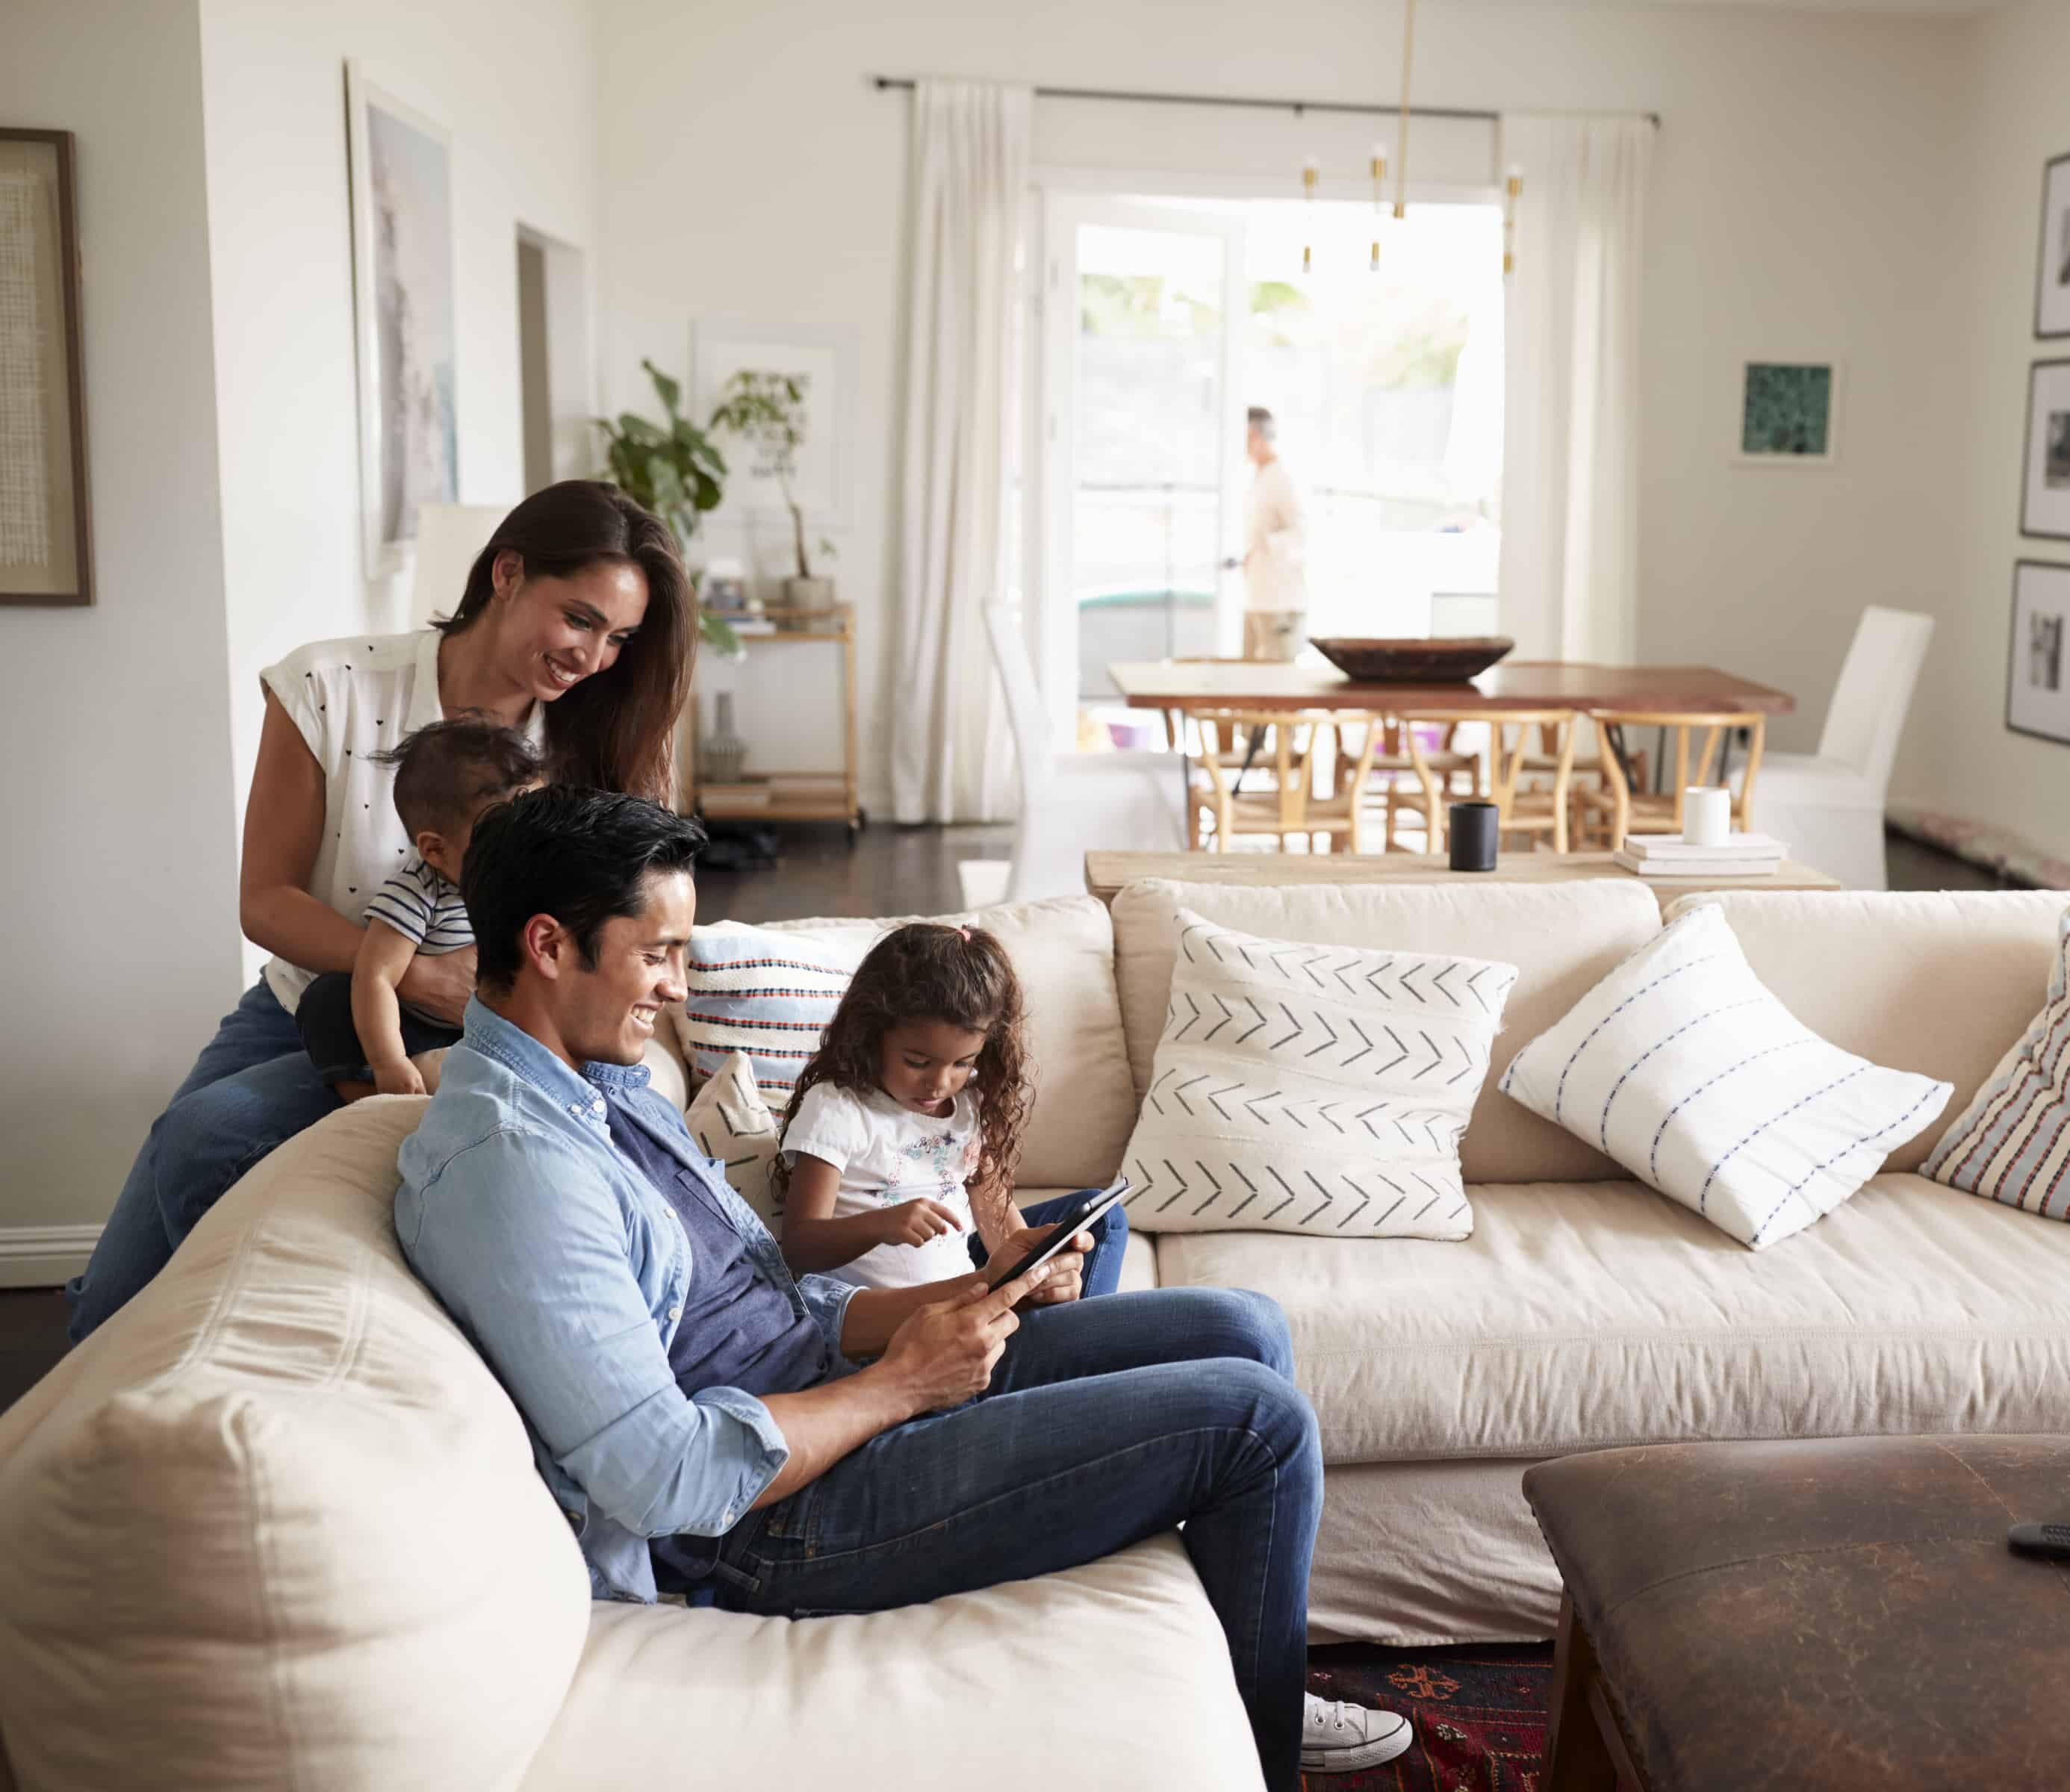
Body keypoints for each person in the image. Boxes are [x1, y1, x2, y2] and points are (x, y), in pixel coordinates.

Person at [394, 788, 1412, 1785]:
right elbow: (665, 1481)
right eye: (655, 954)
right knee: (1254, 1423)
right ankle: (1271, 1738)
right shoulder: (515, 1167)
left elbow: (776, 1298)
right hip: (770, 1519)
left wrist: (940, 1310)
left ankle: (1248, 1670)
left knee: (1242, 1325)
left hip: (839, 1391)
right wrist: (904, 1385)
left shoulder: (600, 1089)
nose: (674, 988)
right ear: (548, 946)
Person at [64, 479, 692, 1344]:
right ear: (506, 573)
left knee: (209, 1136)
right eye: (579, 619)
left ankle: (226, 1359)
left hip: (474, 1036)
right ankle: (151, 1376)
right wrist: (416, 974)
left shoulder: (589, 744)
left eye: (618, 638)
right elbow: (267, 900)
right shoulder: (332, 685)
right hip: (307, 1000)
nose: (594, 657)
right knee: (112, 1298)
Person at [774, 921, 1130, 1296]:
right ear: (872, 1034)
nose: (939, 1084)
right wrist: (881, 1225)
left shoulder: (968, 1105)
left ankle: (1069, 1329)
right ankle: (1075, 1338)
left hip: (968, 1295)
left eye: (962, 1063)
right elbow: (800, 1247)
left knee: (1104, 1221)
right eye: (917, 1061)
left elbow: (1001, 1229)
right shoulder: (838, 1109)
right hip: (898, 1321)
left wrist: (1035, 1275)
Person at [294, 718, 543, 1101]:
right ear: (436, 850)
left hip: (501, 1029)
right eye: (503, 839)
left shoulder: (535, 882)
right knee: (330, 997)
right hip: (420, 1031)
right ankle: (369, 1097)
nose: (527, 852)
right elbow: (375, 977)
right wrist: (388, 1060)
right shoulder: (419, 893)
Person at [1243, 405, 1308, 662]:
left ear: (1254, 436)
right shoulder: (1257, 476)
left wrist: (1266, 545)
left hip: (1280, 602)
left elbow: (1302, 533)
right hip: (1257, 598)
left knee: (1277, 686)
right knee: (1250, 686)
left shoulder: (1284, 478)